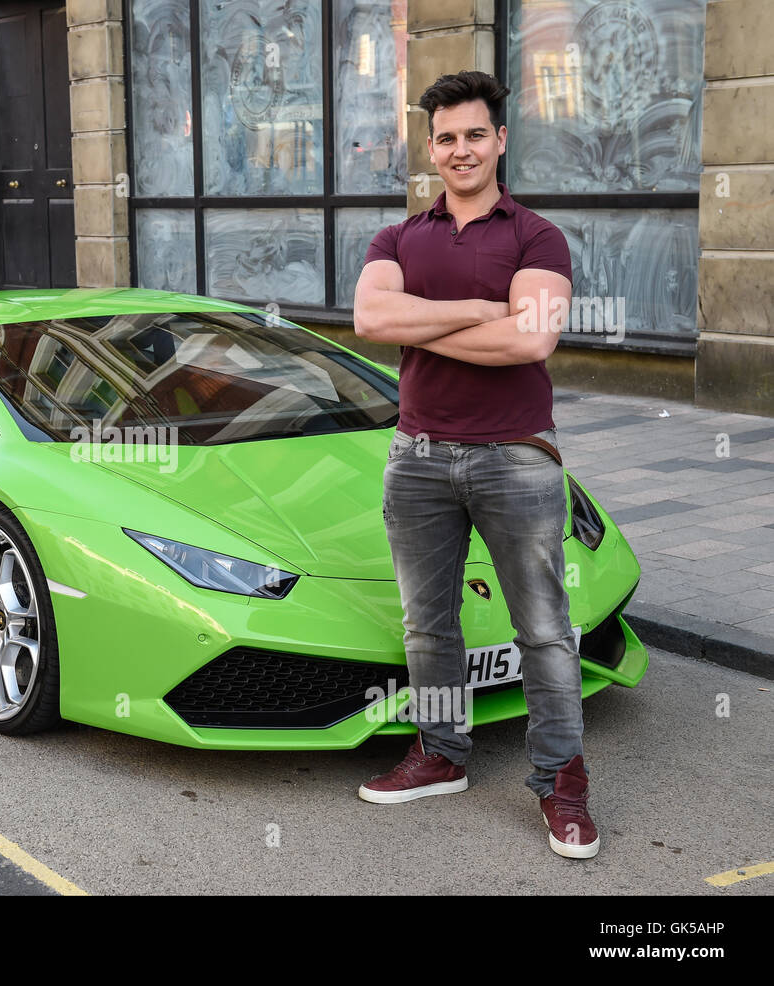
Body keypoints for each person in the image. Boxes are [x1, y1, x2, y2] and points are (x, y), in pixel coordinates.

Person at [351, 71, 595, 859]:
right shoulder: (399, 239)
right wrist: (482, 310)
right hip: (416, 457)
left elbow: (531, 340)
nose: (461, 150)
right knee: (428, 625)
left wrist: (418, 326)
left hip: (517, 457)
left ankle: (562, 782)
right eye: (447, 137)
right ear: (433, 147)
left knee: (545, 631)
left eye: (475, 135)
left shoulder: (538, 237)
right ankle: (441, 753)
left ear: (498, 141)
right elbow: (367, 316)